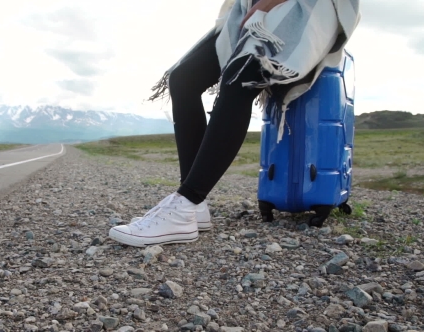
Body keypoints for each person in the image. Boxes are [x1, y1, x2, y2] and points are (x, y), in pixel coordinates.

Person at [109, 0, 361, 247]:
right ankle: (194, 206)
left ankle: (186, 202)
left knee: (240, 77)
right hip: (246, 7)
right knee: (183, 78)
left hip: (303, 5)